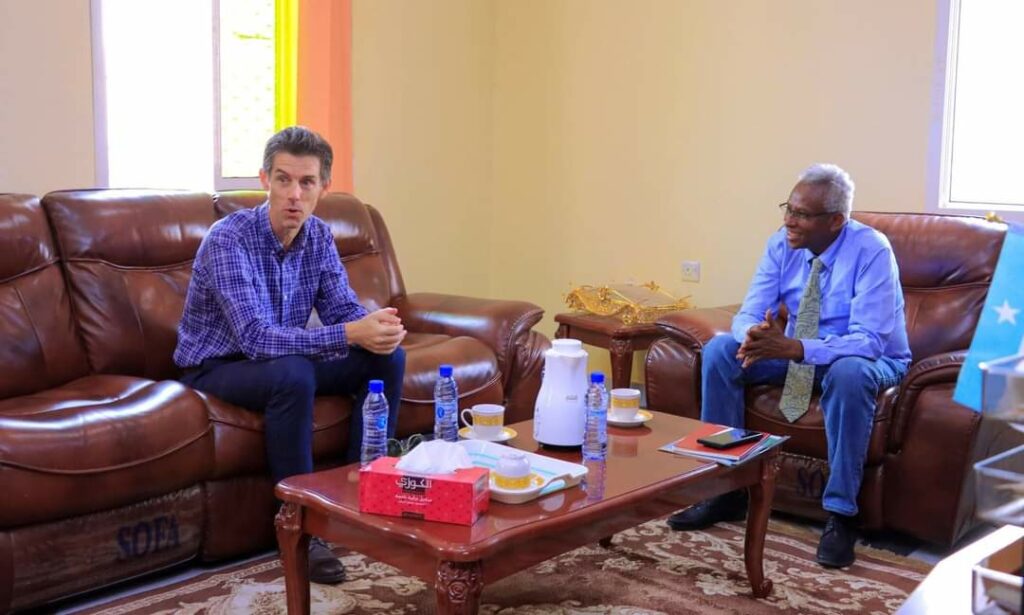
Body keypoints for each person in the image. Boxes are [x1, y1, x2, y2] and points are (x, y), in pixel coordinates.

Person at [174, 126, 406, 584]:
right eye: (283, 180)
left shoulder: (318, 236)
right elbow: (256, 339)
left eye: (306, 182)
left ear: (324, 187)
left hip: (282, 359)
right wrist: (351, 332)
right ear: (265, 179)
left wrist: (377, 328)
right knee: (294, 374)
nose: (294, 195)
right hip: (216, 367)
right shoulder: (229, 240)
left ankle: (369, 494)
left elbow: (342, 309)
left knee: (387, 360)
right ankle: (302, 528)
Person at [666, 163, 911, 569]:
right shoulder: (781, 244)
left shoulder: (872, 251)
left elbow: (869, 340)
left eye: (801, 214)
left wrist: (796, 347)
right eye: (788, 208)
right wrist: (753, 336)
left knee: (849, 373)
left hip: (870, 359)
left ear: (835, 220)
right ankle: (725, 489)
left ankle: (842, 515)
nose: (788, 221)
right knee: (720, 351)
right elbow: (751, 309)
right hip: (796, 351)